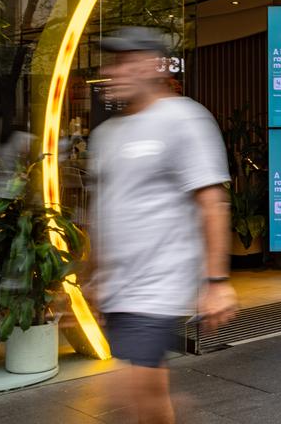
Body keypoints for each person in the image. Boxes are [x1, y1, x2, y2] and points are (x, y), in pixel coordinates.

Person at [89, 27, 238, 424]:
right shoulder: (105, 134)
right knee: (141, 392)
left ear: (154, 65)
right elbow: (103, 209)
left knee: (138, 386)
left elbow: (212, 202)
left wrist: (216, 283)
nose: (114, 70)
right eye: (112, 61)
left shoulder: (183, 117)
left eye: (126, 60)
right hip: (120, 286)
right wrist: (94, 275)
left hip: (159, 282)